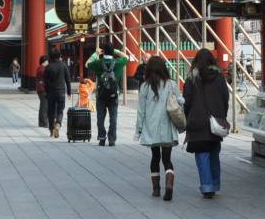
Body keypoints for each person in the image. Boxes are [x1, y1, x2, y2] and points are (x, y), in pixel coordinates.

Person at [183, 49, 230, 198]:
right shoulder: (219, 77)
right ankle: (215, 184)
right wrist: (221, 115)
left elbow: (187, 100)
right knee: (214, 153)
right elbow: (225, 98)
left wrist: (188, 116)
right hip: (215, 121)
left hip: (196, 121)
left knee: (202, 154)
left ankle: (207, 186)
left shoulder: (192, 78)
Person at [135, 56, 181, 201]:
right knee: (167, 159)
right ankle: (169, 183)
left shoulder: (145, 87)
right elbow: (179, 103)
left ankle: (156, 189)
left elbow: (141, 111)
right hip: (167, 127)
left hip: (151, 128)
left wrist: (138, 130)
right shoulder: (172, 84)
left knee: (155, 157)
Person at [86, 45, 128, 147]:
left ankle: (102, 138)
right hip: (114, 95)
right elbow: (126, 57)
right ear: (113, 52)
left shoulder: (99, 63)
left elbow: (87, 64)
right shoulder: (118, 63)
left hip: (101, 95)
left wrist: (96, 53)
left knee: (100, 118)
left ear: (103, 52)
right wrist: (116, 50)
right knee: (113, 118)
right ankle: (112, 139)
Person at [42, 49, 71, 138]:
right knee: (60, 110)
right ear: (59, 56)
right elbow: (68, 80)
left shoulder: (48, 67)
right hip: (61, 91)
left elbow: (45, 82)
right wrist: (69, 92)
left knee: (51, 111)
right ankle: (58, 123)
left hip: (51, 92)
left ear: (50, 56)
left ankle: (51, 130)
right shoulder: (63, 66)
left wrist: (46, 92)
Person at [35, 55, 49, 128]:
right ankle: (44, 122)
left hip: (40, 89)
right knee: (44, 106)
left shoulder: (39, 68)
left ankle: (41, 122)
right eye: (47, 61)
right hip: (43, 89)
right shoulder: (43, 69)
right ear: (45, 61)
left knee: (43, 106)